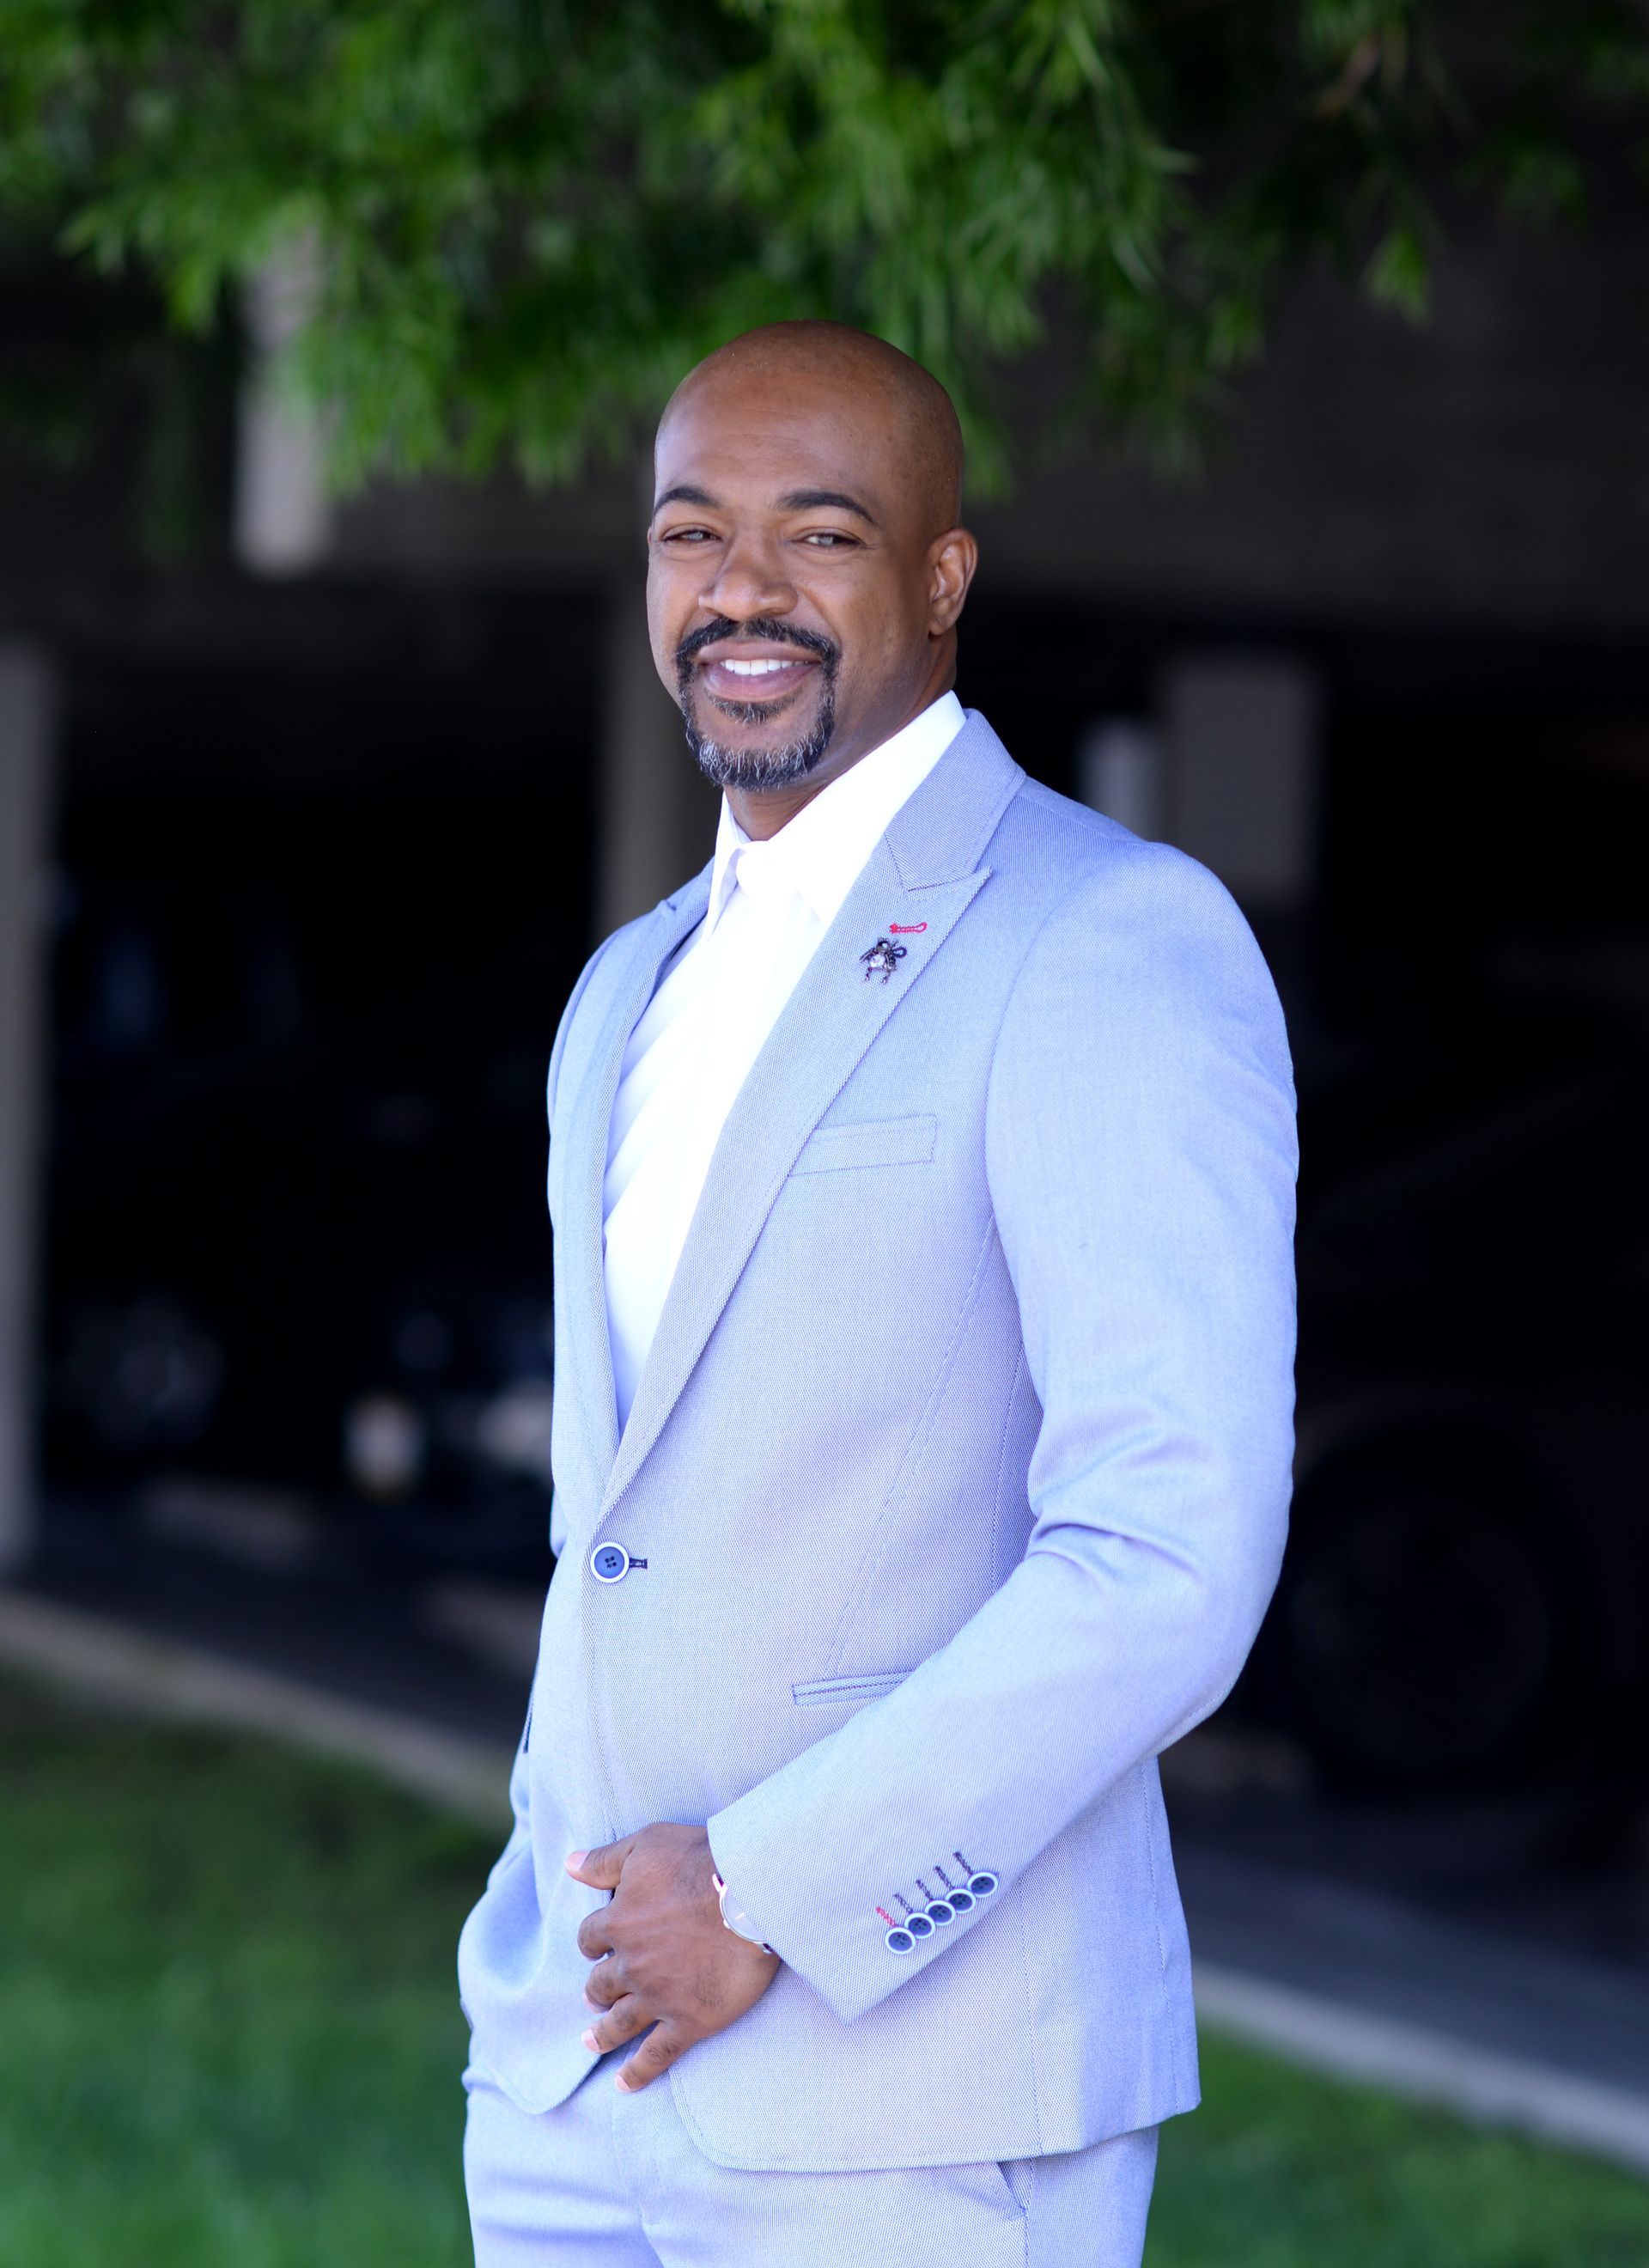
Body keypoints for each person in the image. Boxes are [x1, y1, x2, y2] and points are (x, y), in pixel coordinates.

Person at [457, 320, 1297, 2266]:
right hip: (574, 2089)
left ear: (941, 579)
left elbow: (1171, 1547)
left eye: (816, 535)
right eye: (692, 534)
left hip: (912, 2103)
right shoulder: (625, 991)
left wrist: (764, 1891)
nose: (740, 589)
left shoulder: (1106, 940)